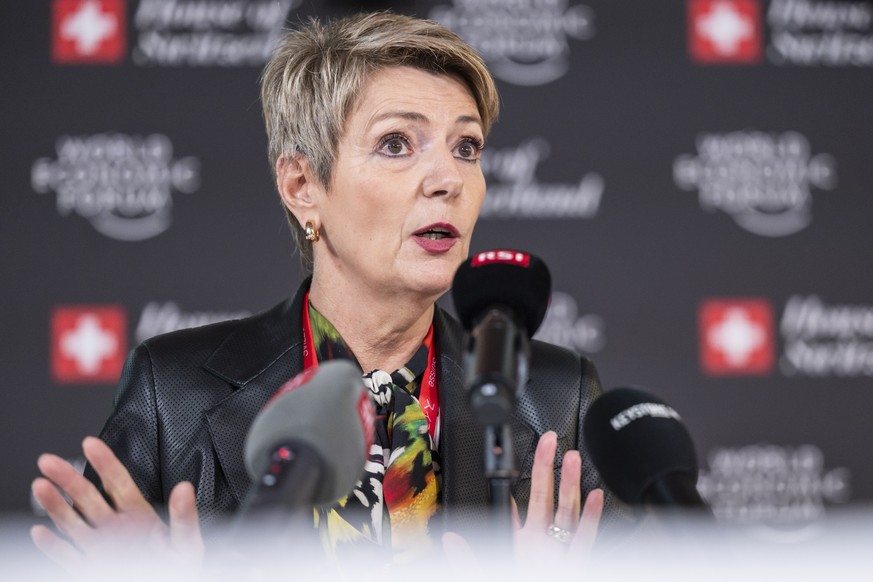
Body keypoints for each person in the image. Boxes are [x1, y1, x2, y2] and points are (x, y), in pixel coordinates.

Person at [31, 11, 614, 574]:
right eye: (396, 144)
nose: (450, 180)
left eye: (466, 147)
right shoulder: (172, 392)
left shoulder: (559, 401)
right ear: (302, 185)